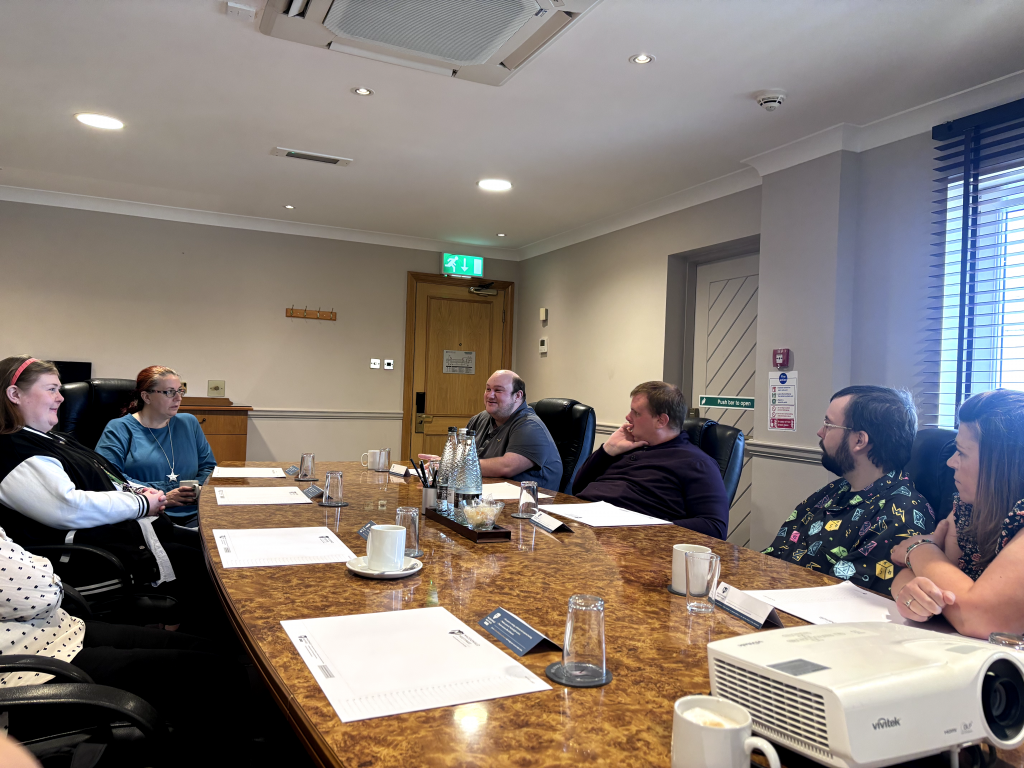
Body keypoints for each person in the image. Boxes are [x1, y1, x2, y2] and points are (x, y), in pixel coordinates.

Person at [0, 356, 226, 637]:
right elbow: (68, 507)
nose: (60, 398)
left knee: (214, 554)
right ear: (14, 395)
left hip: (137, 531)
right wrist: (142, 502)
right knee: (210, 571)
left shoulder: (53, 438)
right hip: (99, 555)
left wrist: (138, 489)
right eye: (51, 389)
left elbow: (109, 476)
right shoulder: (12, 449)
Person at [0, 525, 253, 764]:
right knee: (219, 674)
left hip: (55, 629)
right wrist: (39, 568)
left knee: (213, 652)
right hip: (26, 669)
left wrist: (36, 569)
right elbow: (43, 592)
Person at [762, 385, 936, 591]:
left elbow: (843, 601)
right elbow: (774, 556)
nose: (820, 432)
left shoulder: (900, 517)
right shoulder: (837, 490)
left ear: (860, 440)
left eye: (828, 424)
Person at [889, 389, 1024, 638]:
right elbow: (921, 578)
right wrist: (909, 591)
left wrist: (918, 549)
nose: (951, 462)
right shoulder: (968, 509)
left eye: (961, 452)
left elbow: (983, 618)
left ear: (1002, 464)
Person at [571, 381, 730, 537]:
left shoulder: (697, 462)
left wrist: (641, 527)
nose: (628, 417)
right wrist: (607, 450)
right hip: (583, 526)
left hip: (624, 543)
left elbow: (714, 527)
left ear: (661, 421)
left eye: (636, 413)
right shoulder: (625, 446)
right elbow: (577, 488)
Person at [96, 366, 216, 527]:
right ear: (146, 396)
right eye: (169, 392)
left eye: (180, 391)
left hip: (197, 511)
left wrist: (193, 492)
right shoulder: (120, 428)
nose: (178, 398)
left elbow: (208, 467)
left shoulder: (189, 423)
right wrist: (163, 496)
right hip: (147, 514)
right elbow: (109, 477)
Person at [422, 370, 562, 491]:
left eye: (498, 390)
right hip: (483, 497)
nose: (490, 395)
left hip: (529, 508)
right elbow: (461, 458)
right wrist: (445, 463)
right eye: (488, 389)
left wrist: (451, 465)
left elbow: (506, 467)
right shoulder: (480, 419)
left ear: (518, 396)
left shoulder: (530, 426)